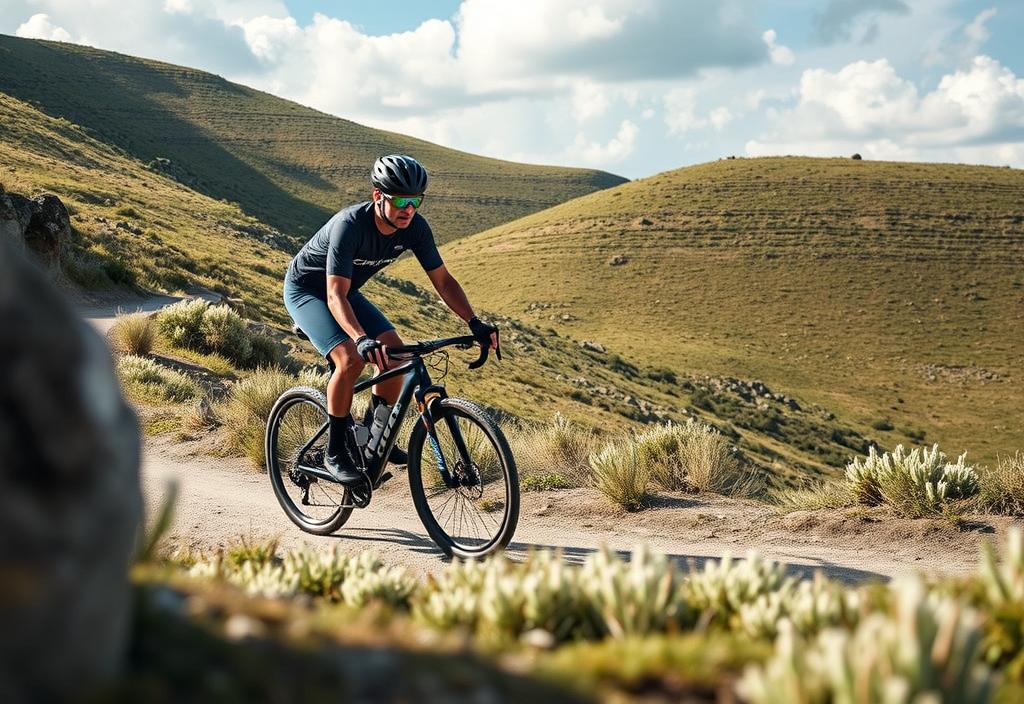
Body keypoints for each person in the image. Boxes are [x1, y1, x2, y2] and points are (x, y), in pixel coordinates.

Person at [283, 154, 499, 485]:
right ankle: (335, 453)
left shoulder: (416, 228)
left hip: (345, 290)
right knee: (350, 360)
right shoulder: (350, 225)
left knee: (396, 354)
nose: (408, 209)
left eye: (415, 200)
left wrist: (474, 323)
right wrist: (359, 337)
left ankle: (373, 433)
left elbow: (443, 281)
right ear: (378, 196)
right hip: (309, 292)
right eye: (400, 199)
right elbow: (334, 296)